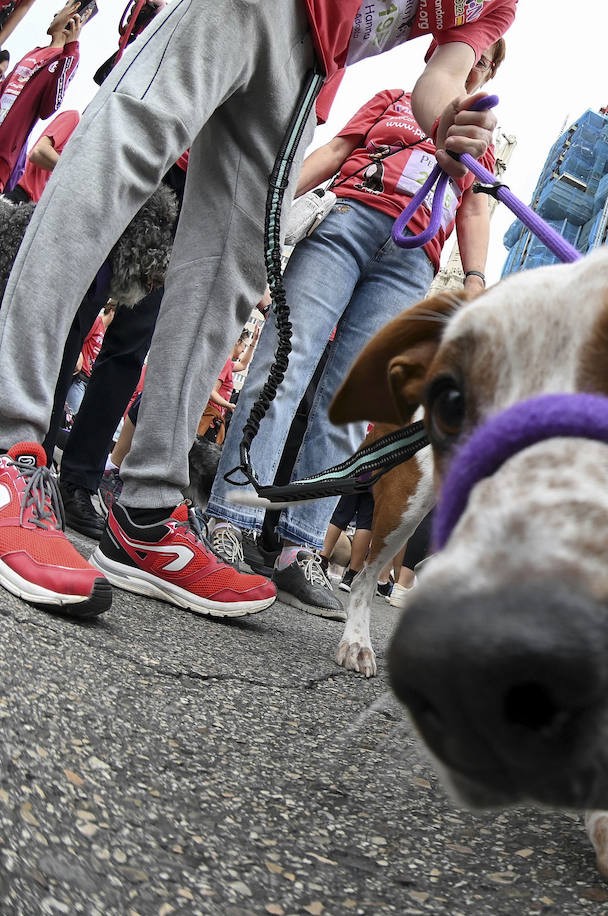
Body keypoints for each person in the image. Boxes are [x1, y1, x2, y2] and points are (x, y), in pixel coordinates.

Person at [0, 0, 517, 621]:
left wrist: (446, 122)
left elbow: (438, 78)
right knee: (126, 149)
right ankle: (8, 444)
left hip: (311, 68)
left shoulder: (498, 5)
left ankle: (146, 508)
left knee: (231, 262)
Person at [206, 50, 503, 617]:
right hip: (347, 221)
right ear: (439, 56)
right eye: (469, 53)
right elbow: (337, 151)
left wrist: (474, 279)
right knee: (281, 367)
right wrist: (274, 200)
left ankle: (300, 546)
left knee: (351, 401)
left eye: (487, 60)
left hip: (411, 262)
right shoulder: (393, 101)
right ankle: (230, 519)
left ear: (490, 74)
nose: (476, 64)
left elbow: (476, 210)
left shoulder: (480, 138)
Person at [0, 2, 82, 185]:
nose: (55, 14)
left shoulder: (66, 58)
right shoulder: (35, 52)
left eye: (61, 10)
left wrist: (70, 51)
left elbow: (49, 108)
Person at [2, 108, 76, 204]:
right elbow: (38, 152)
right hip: (21, 194)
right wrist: (73, 168)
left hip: (36, 205)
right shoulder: (74, 119)